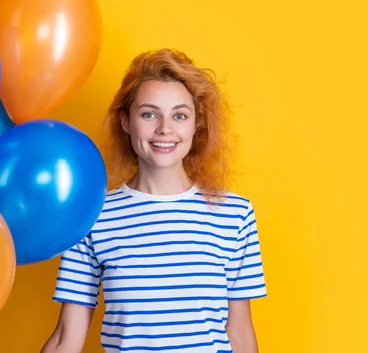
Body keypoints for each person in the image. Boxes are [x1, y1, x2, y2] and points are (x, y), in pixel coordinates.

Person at [41, 49, 267, 353]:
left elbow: (240, 333)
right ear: (125, 121)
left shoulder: (235, 215)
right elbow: (67, 337)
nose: (164, 128)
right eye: (149, 114)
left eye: (179, 115)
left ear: (195, 124)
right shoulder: (92, 215)